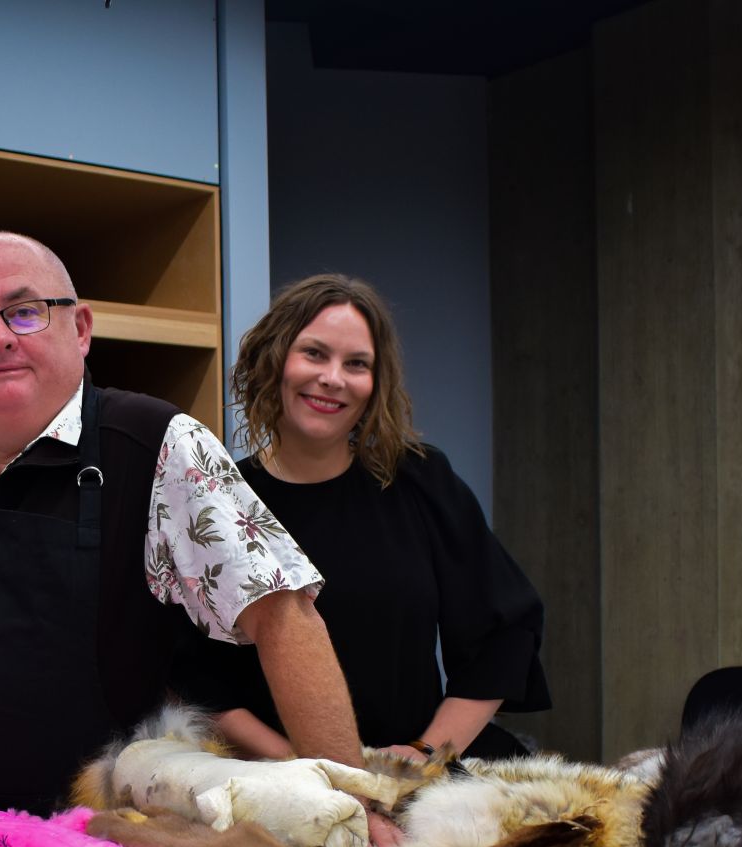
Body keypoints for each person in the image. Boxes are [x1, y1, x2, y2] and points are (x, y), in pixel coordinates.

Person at [0, 231, 386, 842]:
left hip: (102, 846)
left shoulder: (160, 446)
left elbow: (284, 615)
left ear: (80, 328)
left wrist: (350, 809)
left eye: (25, 312)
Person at [189, 273, 549, 764]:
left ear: (375, 384)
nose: (333, 378)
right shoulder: (223, 504)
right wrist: (320, 771)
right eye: (314, 353)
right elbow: (198, 682)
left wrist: (426, 753)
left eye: (356, 364)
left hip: (419, 775)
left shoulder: (420, 479)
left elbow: (504, 633)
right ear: (273, 360)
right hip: (283, 782)